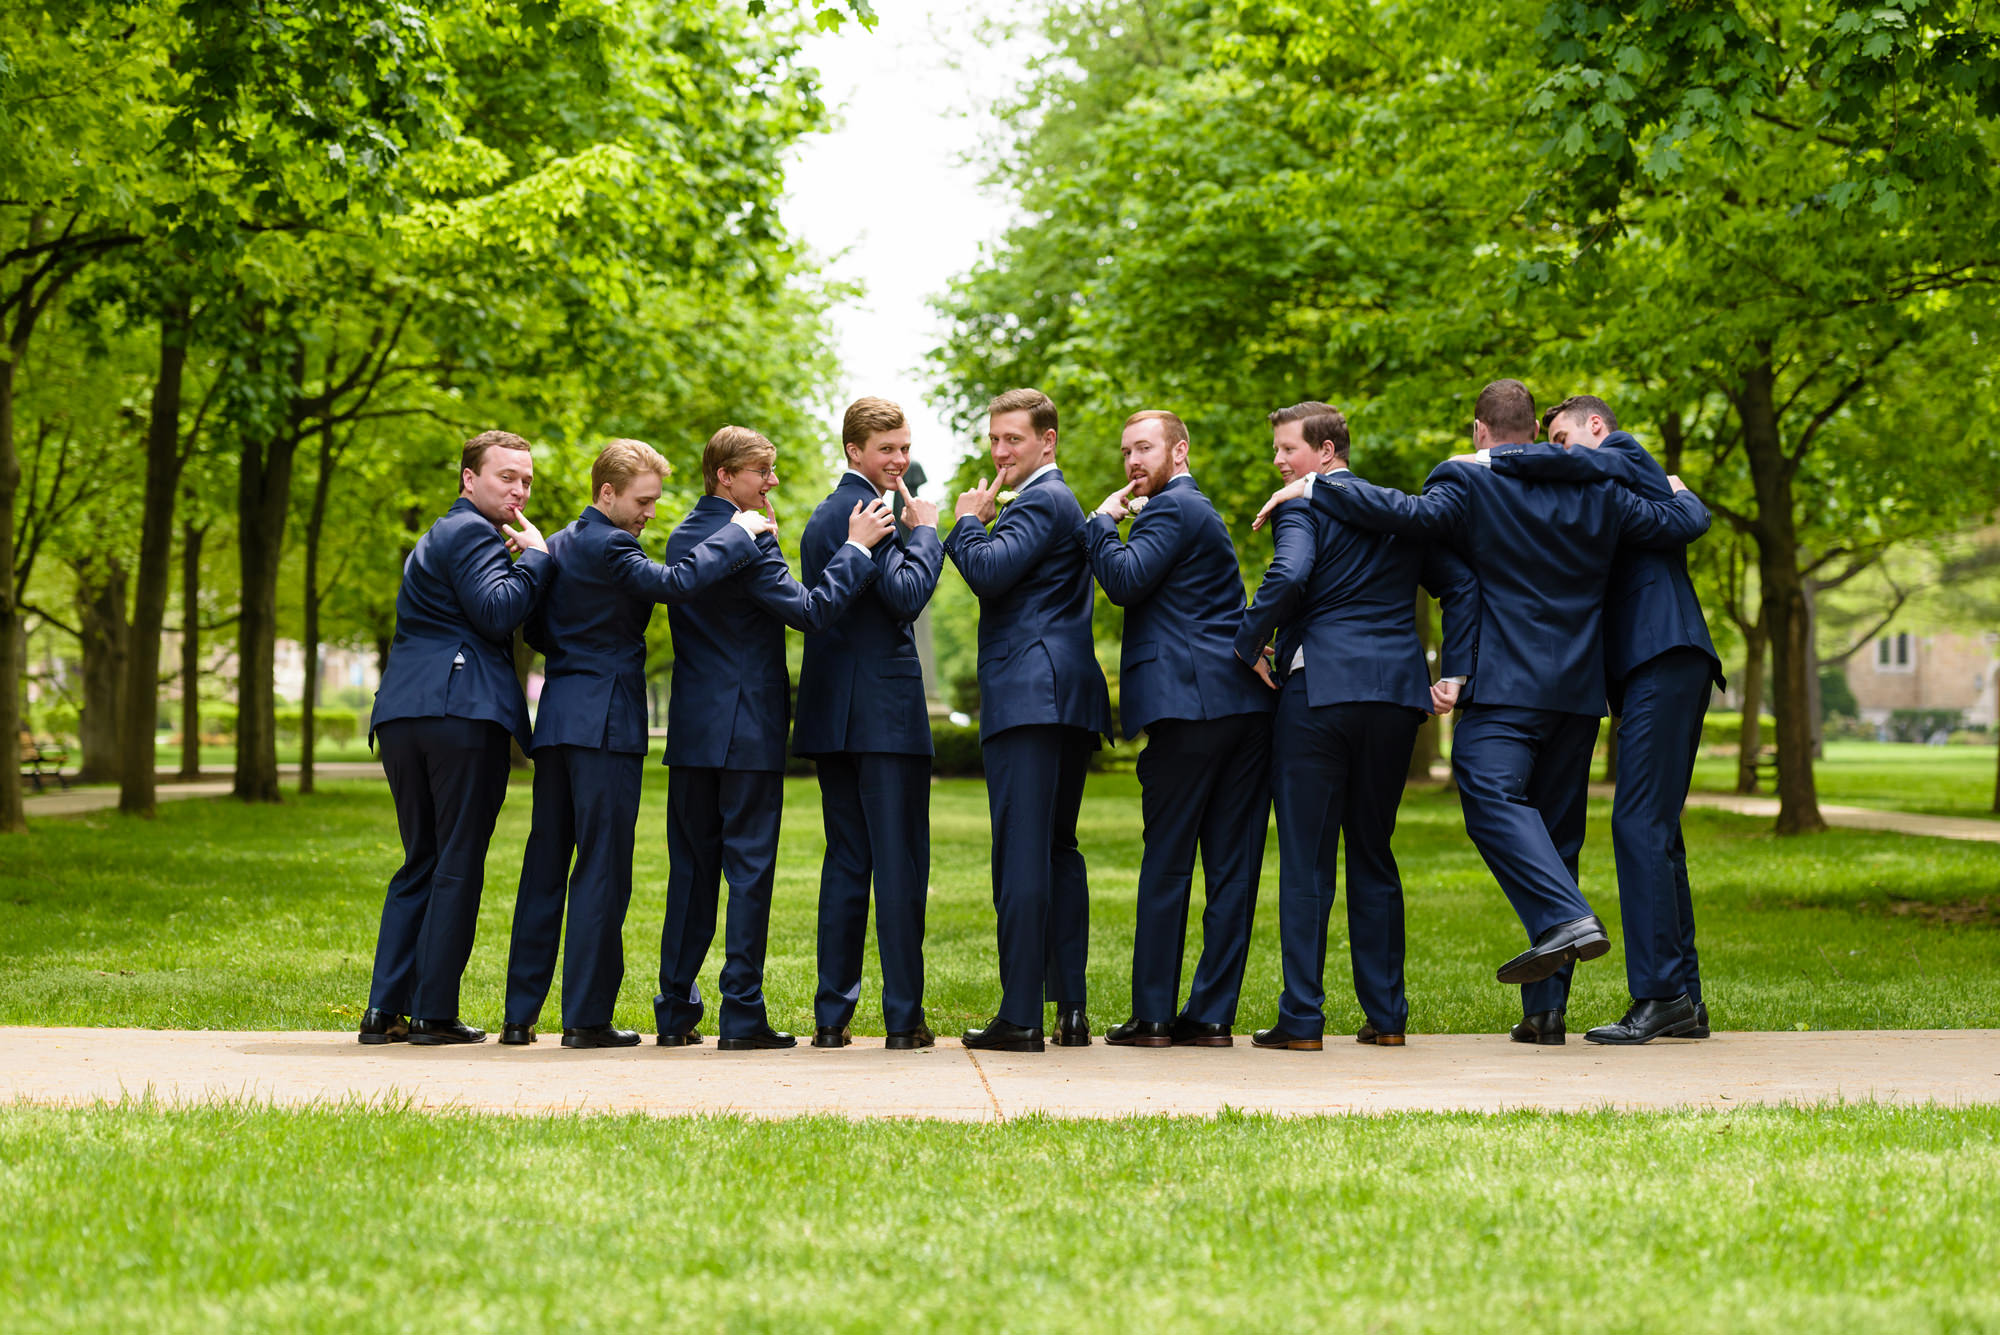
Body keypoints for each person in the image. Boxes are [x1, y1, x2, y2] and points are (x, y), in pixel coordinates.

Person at [1254, 379, 1713, 1042]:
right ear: (1534, 431)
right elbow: (1679, 524)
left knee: (1485, 781)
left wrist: (1322, 485)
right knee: (1558, 837)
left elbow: (1410, 517)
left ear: (1479, 432)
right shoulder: (1600, 489)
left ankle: (1563, 916)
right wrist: (1676, 487)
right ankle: (1545, 1012)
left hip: (1506, 685)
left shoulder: (1468, 479)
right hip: (1578, 690)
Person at [500, 439, 773, 1050]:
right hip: (606, 727)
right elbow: (675, 583)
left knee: (544, 868)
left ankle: (519, 1016)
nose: (650, 513)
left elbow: (538, 628)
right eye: (643, 501)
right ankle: (587, 1019)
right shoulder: (612, 543)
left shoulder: (560, 545)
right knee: (601, 871)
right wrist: (741, 532)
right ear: (607, 493)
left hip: (560, 720)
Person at [1236, 403, 1477, 1051]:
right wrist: (1453, 671)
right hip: (1396, 699)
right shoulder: (1398, 515)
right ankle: (1388, 1016)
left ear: (1328, 450)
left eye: (1289, 449)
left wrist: (1246, 642)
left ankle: (1303, 1019)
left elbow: (1288, 574)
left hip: (1320, 694)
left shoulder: (1301, 504)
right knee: (1374, 852)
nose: (1280, 462)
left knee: (1308, 861)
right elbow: (1461, 586)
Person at [1484, 395, 1724, 1043]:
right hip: (1651, 662)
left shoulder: (1619, 451)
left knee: (1637, 822)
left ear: (1596, 426)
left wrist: (1493, 457)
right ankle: (1685, 999)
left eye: (1562, 437)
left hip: (1663, 651)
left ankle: (1659, 994)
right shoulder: (1627, 486)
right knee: (1658, 830)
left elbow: (1585, 476)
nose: (1559, 450)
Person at [652, 425, 895, 1051]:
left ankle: (675, 1010)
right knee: (749, 874)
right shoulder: (747, 541)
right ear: (725, 477)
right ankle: (741, 1016)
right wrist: (858, 549)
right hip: (748, 730)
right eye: (763, 471)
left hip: (692, 734)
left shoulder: (683, 534)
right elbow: (812, 612)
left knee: (691, 874)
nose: (773, 481)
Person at [1083, 409, 1275, 1048]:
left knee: (1167, 863)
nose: (1133, 462)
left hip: (1190, 710)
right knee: (1231, 866)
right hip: (1241, 711)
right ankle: (1212, 1015)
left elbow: (1125, 581)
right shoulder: (1199, 512)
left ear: (1180, 451)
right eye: (1126, 453)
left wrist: (1099, 525)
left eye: (1144, 448)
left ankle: (1156, 1017)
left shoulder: (1171, 508)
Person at [361, 430, 552, 1047]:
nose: (518, 489)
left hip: (403, 712)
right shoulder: (473, 532)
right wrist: (539, 559)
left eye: (526, 479)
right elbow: (497, 612)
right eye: (506, 477)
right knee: (456, 863)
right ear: (469, 479)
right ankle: (433, 1013)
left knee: (421, 860)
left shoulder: (434, 536)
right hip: (460, 713)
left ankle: (384, 1008)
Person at [945, 387, 1114, 1053]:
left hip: (1029, 694)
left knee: (1022, 854)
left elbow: (987, 572)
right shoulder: (1054, 501)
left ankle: (1020, 1015)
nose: (999, 450)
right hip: (1064, 694)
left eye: (1012, 438)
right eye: (993, 439)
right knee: (1056, 851)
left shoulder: (1044, 498)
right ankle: (1068, 1008)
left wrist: (965, 521)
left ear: (1048, 440)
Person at [792, 398, 946, 1051]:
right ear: (855, 450)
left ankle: (833, 1016)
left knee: (846, 864)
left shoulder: (821, 517)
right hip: (884, 716)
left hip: (834, 715)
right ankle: (903, 1017)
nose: (900, 460)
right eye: (887, 449)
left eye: (905, 448)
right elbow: (904, 597)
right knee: (900, 864)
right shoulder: (877, 512)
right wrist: (930, 530)